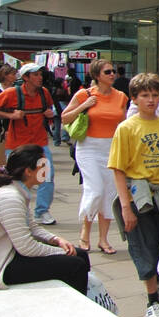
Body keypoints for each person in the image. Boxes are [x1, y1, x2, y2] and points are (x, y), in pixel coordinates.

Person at [0, 146, 87, 292]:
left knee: (80, 255)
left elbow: (32, 227)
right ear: (28, 171)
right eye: (43, 166)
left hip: (6, 254)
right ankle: (77, 309)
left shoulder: (17, 191)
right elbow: (26, 247)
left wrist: (56, 240)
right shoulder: (10, 198)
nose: (48, 170)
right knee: (75, 264)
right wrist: (62, 252)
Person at [110, 73, 159, 317]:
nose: (151, 100)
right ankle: (152, 301)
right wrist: (125, 206)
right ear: (135, 99)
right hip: (138, 197)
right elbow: (118, 169)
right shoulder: (127, 128)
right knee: (143, 249)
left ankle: (157, 286)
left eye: (155, 95)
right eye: (145, 96)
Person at [60, 59, 128, 254]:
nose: (112, 74)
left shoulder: (121, 96)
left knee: (109, 193)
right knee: (95, 190)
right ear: (97, 75)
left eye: (113, 71)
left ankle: (103, 239)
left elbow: (122, 122)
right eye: (107, 72)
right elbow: (64, 117)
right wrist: (84, 106)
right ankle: (85, 231)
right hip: (88, 147)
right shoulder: (84, 94)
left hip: (111, 147)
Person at [0, 63, 58, 225]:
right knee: (17, 180)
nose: (40, 78)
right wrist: (10, 116)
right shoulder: (12, 93)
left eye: (40, 74)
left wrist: (49, 113)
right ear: (25, 78)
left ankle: (42, 211)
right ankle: (17, 210)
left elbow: (50, 108)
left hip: (39, 142)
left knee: (45, 176)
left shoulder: (43, 93)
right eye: (36, 75)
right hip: (17, 144)